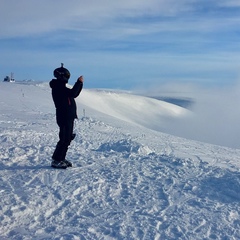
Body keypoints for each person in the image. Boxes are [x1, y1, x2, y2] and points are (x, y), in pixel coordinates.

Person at [49, 63, 84, 169]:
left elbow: (74, 94)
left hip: (67, 116)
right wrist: (79, 82)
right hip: (64, 116)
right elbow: (73, 93)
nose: (67, 78)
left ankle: (61, 158)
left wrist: (80, 84)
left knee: (67, 138)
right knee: (64, 138)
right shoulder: (58, 87)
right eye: (66, 76)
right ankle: (57, 160)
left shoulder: (61, 87)